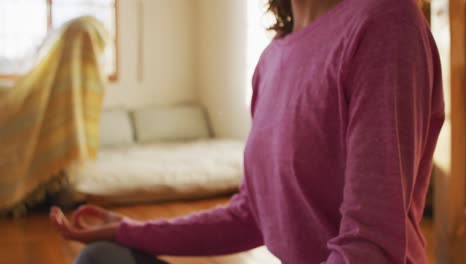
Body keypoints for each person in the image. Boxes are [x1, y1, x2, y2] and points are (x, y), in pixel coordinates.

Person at [50, 0, 445, 263]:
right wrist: (129, 230)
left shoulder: (385, 23)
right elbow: (252, 213)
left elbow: (369, 248)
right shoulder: (272, 59)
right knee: (104, 257)